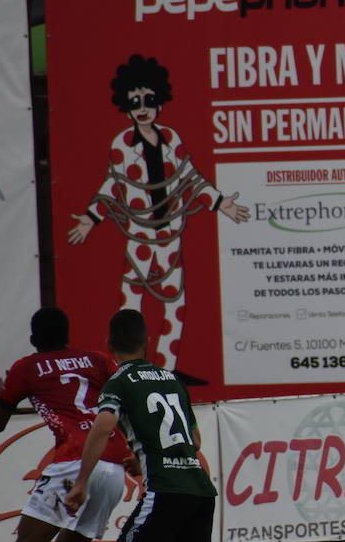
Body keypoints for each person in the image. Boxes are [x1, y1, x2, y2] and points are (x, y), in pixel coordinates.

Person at [65, 309, 270, 542]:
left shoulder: (119, 383)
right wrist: (143, 459)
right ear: (147, 343)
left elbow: (101, 428)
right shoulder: (172, 380)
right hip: (198, 487)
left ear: (109, 344)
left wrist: (82, 481)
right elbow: (193, 438)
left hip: (166, 489)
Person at [67, 54, 249, 377]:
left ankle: (165, 372)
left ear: (159, 102)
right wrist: (90, 218)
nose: (142, 107)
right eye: (134, 101)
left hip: (169, 236)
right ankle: (125, 373)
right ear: (125, 105)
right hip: (140, 237)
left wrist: (222, 203)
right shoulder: (122, 145)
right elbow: (113, 186)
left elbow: (190, 177)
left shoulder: (171, 140)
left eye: (148, 99)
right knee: (129, 308)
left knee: (174, 307)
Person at [0, 307, 131, 542]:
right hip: (114, 466)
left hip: (75, 462)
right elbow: (124, 401)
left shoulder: (26, 368)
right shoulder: (98, 360)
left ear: (33, 338)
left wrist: (3, 393)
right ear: (68, 335)